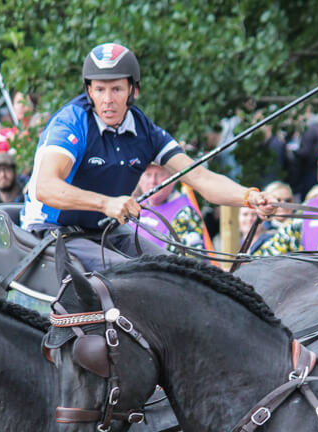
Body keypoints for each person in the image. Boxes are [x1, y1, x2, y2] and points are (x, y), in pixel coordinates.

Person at [22, 42, 275, 270]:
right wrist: (105, 203)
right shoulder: (71, 122)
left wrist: (249, 196)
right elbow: (45, 187)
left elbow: (200, 177)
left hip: (106, 231)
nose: (107, 100)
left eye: (117, 89)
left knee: (181, 271)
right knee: (136, 277)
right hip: (54, 232)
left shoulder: (145, 131)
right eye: (99, 90)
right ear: (89, 91)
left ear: (134, 90)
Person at [134, 163, 213, 252]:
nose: (153, 181)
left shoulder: (185, 213)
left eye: (160, 174)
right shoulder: (134, 205)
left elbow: (188, 260)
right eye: (148, 174)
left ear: (172, 179)